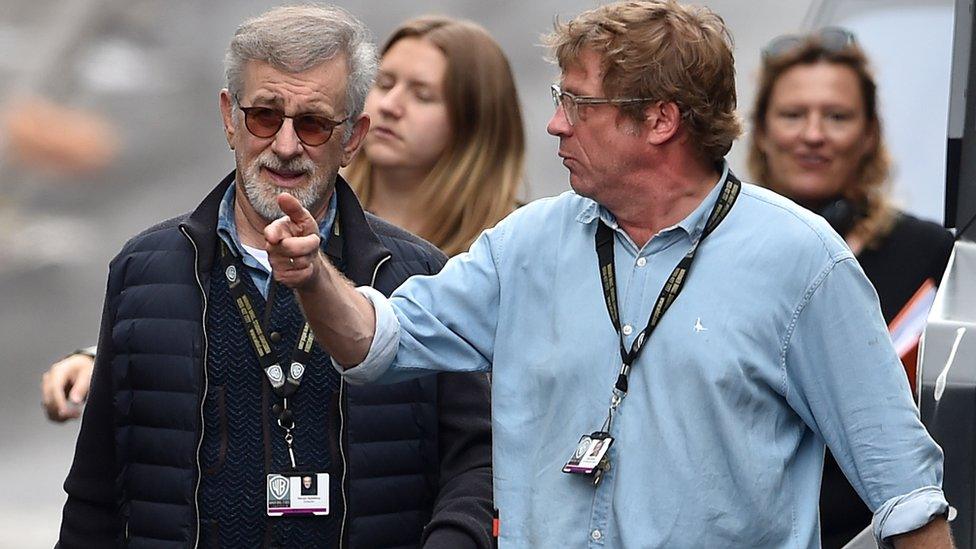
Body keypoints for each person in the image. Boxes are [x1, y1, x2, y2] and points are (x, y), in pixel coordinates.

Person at [263, 1, 952, 547]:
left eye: (579, 104)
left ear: (659, 120)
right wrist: (313, 274)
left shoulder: (803, 259)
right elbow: (375, 343)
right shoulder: (527, 243)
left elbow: (906, 495)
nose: (556, 124)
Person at [57, 6, 492, 548]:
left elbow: (477, 465)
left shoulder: (420, 276)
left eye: (312, 123)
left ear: (353, 137)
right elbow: (95, 496)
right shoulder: (142, 271)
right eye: (265, 116)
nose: (286, 146)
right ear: (229, 118)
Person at [40, 15, 525, 421]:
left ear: (476, 122)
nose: (392, 105)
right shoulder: (303, 208)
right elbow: (236, 322)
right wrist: (107, 359)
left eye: (422, 94)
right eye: (386, 83)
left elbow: (478, 436)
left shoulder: (503, 251)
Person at [747, 28, 956, 548]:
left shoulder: (930, 254)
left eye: (837, 116)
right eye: (793, 115)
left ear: (869, 134)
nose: (813, 134)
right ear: (762, 132)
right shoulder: (712, 252)